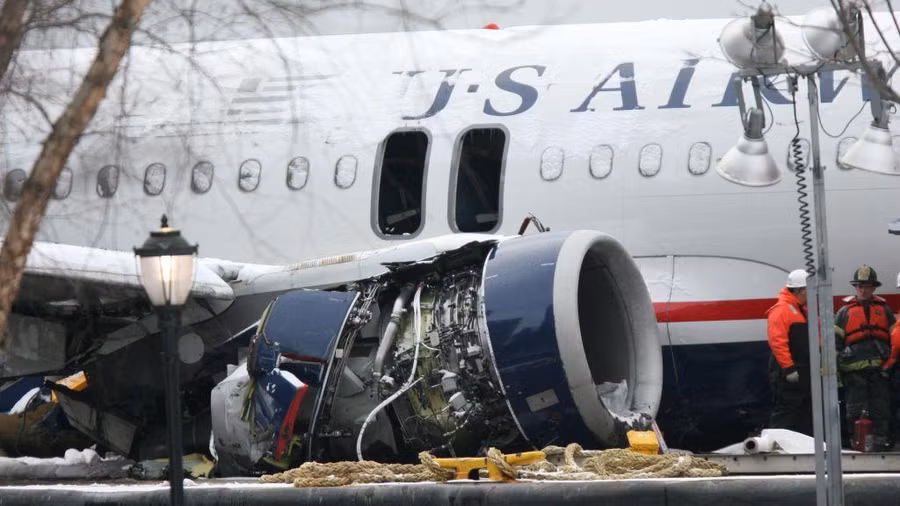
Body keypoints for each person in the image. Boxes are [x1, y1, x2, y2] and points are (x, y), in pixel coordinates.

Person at [834, 265, 897, 451]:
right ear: (855, 288)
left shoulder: (884, 310)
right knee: (854, 408)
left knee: (881, 407)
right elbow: (835, 343)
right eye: (860, 286)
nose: (863, 290)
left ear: (873, 288)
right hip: (853, 372)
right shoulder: (844, 312)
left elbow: (895, 339)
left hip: (880, 370)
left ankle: (880, 442)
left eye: (867, 286)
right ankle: (857, 442)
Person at [767, 268, 811, 435]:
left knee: (802, 415)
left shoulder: (798, 310)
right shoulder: (782, 310)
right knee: (785, 414)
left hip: (801, 374)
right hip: (788, 375)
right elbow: (778, 342)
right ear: (801, 290)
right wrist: (789, 369)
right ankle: (776, 443)